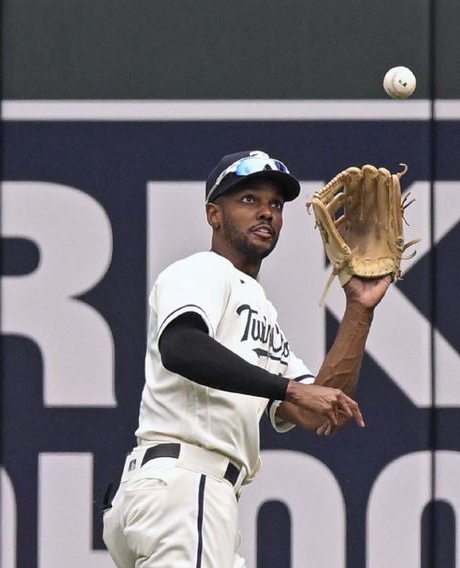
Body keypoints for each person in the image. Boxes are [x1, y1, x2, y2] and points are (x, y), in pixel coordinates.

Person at [102, 150, 391, 568]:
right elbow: (181, 346)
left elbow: (317, 409)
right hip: (186, 487)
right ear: (213, 215)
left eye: (275, 204)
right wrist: (288, 388)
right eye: (249, 200)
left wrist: (359, 309)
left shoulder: (260, 311)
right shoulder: (201, 270)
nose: (267, 213)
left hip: (189, 497)